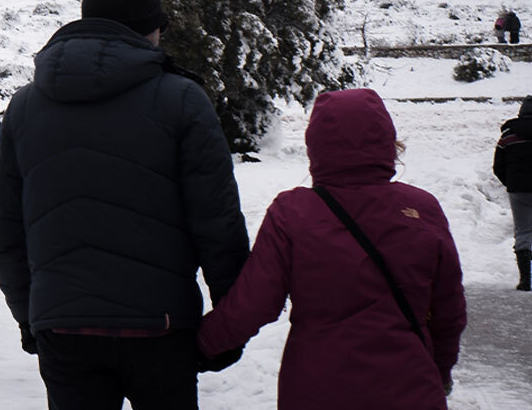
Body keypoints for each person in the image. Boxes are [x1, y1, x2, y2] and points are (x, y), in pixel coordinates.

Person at [0, 0, 250, 409]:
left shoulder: (24, 107)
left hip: (63, 325)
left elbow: (3, 231)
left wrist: (31, 315)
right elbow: (217, 225)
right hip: (161, 325)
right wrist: (227, 326)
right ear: (149, 30)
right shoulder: (182, 99)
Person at [199, 88, 467, 409]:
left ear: (316, 144)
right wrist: (439, 371)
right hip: (410, 388)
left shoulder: (292, 213)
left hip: (317, 391)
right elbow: (448, 311)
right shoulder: (422, 208)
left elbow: (252, 305)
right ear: (386, 140)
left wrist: (199, 345)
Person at [494, 95, 532, 291]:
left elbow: (498, 166)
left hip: (518, 190)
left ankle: (526, 280)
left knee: (523, 231)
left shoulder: (509, 135)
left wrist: (510, 183)